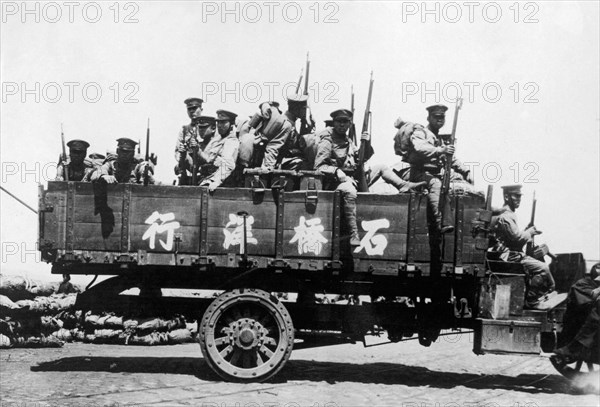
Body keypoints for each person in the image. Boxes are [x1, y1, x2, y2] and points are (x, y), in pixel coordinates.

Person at [403, 105, 473, 234]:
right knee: (436, 185)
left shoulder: (439, 138)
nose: (439, 120)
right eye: (436, 117)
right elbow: (420, 147)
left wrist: (465, 171)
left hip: (433, 173)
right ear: (428, 118)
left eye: (442, 117)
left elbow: (451, 159)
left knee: (460, 182)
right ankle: (441, 222)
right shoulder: (420, 132)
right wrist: (440, 150)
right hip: (418, 173)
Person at [490, 184, 557, 308]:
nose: (519, 199)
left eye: (520, 196)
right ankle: (532, 301)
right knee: (543, 268)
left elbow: (514, 236)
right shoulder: (505, 216)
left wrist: (527, 231)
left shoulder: (508, 214)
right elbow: (516, 239)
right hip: (509, 256)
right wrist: (529, 232)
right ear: (506, 196)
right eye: (516, 196)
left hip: (511, 254)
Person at [314, 109, 372, 246]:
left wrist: (366, 143)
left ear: (350, 124)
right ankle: (354, 234)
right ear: (334, 122)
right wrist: (337, 171)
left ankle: (405, 185)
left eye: (345, 122)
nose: (342, 125)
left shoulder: (348, 140)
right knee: (349, 190)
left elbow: (361, 158)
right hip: (334, 182)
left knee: (382, 168)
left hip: (353, 177)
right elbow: (319, 166)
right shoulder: (327, 139)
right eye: (339, 121)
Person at [553, 263, 600, 363]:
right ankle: (577, 347)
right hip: (579, 317)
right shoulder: (583, 283)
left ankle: (579, 347)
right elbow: (592, 294)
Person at [195, 109, 240, 191]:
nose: (219, 125)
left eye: (223, 122)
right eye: (218, 122)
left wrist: (216, 181)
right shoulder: (216, 140)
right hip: (206, 178)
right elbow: (208, 159)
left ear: (231, 124)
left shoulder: (231, 141)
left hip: (222, 185)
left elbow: (228, 165)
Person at [175, 116, 217, 184]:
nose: (201, 130)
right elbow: (192, 167)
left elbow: (210, 161)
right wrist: (184, 155)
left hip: (212, 182)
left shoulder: (217, 144)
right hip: (199, 182)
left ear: (213, 128)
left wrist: (198, 151)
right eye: (200, 127)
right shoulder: (199, 145)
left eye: (204, 127)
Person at [175, 97, 205, 184]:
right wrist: (183, 157)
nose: (192, 111)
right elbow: (177, 151)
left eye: (195, 108)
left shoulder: (208, 128)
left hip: (202, 173)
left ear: (201, 109)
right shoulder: (184, 130)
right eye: (189, 109)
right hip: (187, 172)